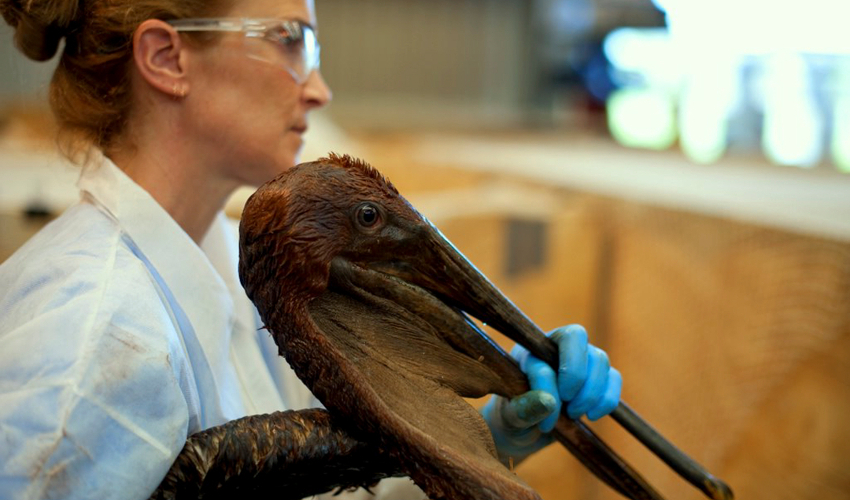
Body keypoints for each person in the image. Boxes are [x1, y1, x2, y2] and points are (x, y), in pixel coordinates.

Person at [0, 0, 622, 498]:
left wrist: (484, 443)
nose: (319, 89)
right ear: (167, 58)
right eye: (289, 38)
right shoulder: (92, 338)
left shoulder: (229, 267)